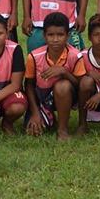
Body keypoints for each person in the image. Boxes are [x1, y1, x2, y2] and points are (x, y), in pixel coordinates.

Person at [24, 12, 88, 141]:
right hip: (42, 99)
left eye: (60, 35)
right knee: (32, 130)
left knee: (62, 86)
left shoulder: (75, 55)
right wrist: (35, 113)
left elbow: (81, 86)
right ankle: (47, 117)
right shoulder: (34, 57)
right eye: (51, 35)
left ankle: (62, 129)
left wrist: (64, 72)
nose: (55, 39)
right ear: (44, 36)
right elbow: (29, 86)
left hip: (68, 96)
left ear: (67, 35)